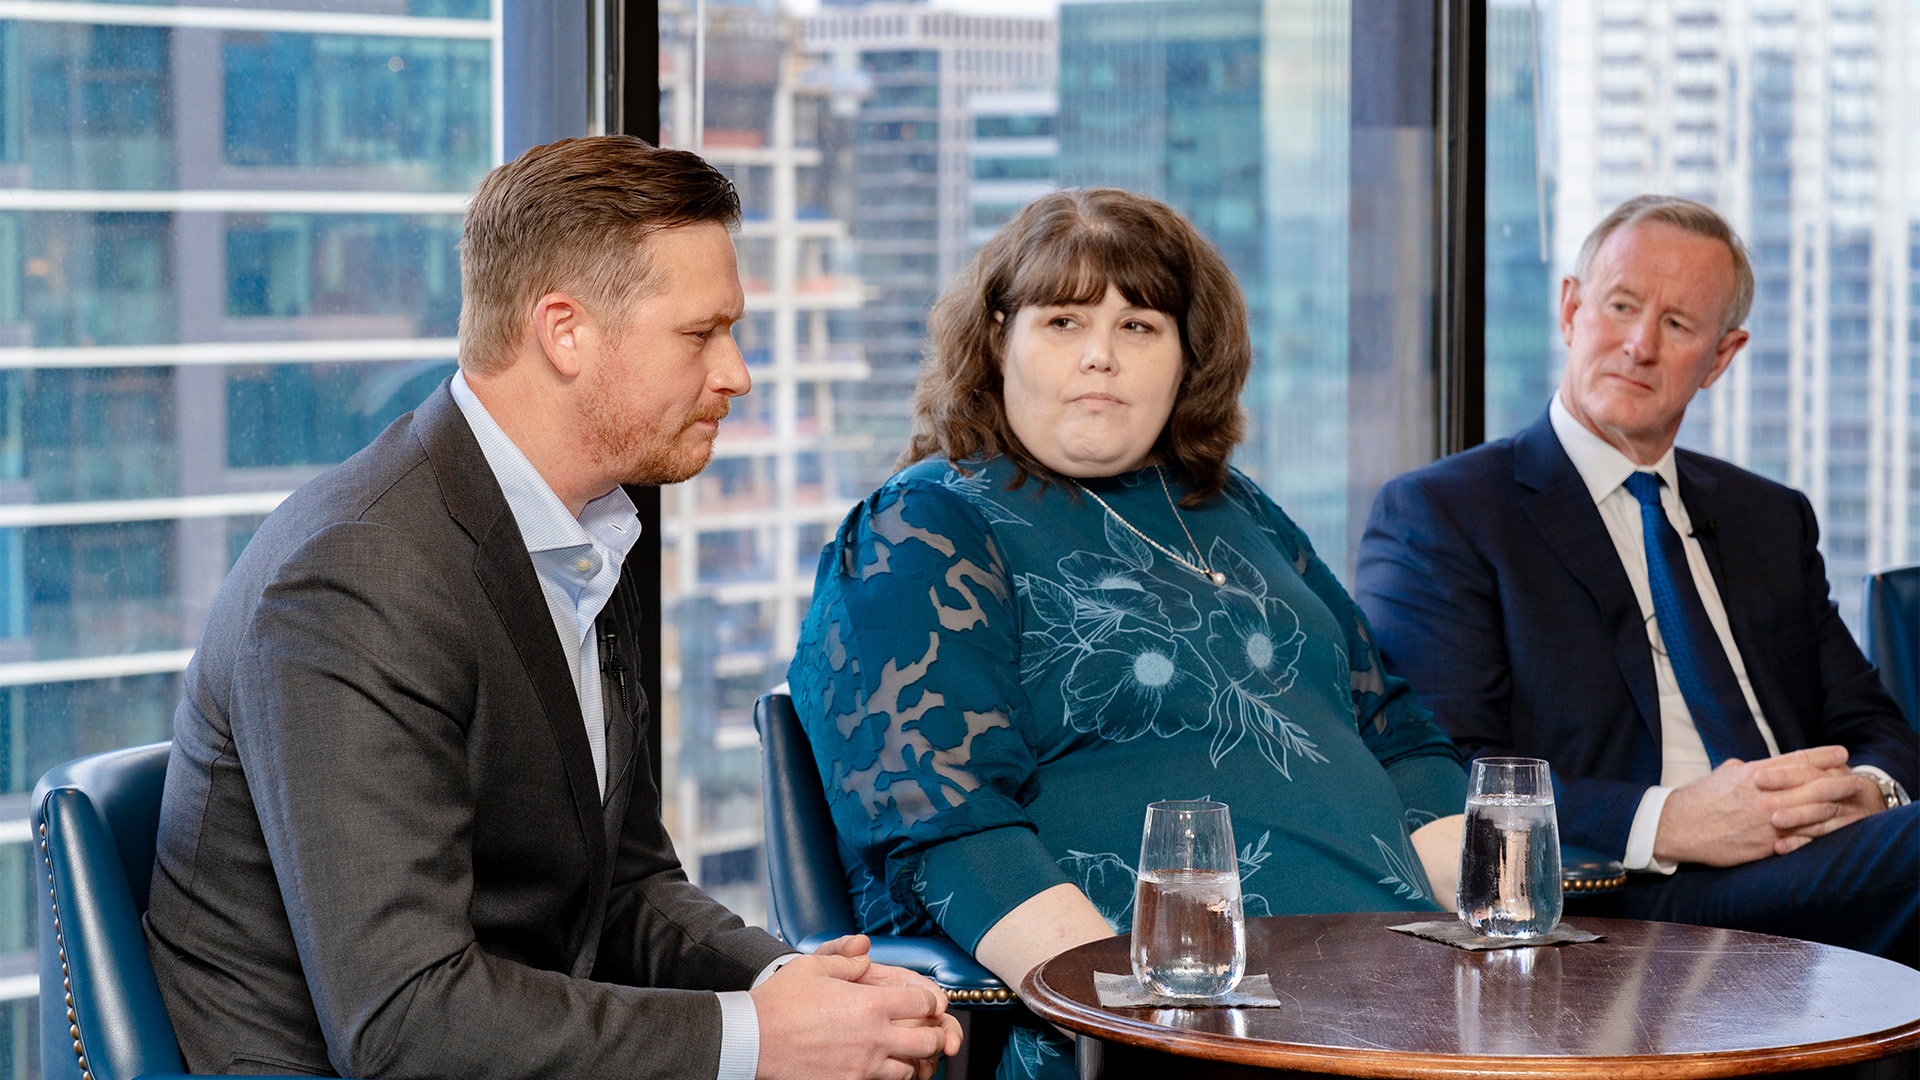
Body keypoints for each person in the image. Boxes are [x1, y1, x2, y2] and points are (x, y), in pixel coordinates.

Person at [143, 136, 960, 1080]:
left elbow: (627, 886)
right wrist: (758, 1041)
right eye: (702, 335)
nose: (737, 374)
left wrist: (786, 984)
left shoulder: (579, 531)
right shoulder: (354, 577)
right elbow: (403, 1024)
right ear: (564, 331)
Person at [787, 188, 1468, 1080]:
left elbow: (1400, 738)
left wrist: (1497, 950)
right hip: (1158, 1025)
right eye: (1063, 321)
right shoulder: (927, 526)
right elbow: (939, 820)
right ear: (999, 341)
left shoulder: (1240, 512)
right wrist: (1140, 1015)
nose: (1101, 356)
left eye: (1141, 326)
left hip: (1405, 1001)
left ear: (1189, 358)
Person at [1355, 194, 1918, 961]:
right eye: (1621, 306)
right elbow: (1444, 772)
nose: (1640, 345)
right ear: (1570, 309)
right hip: (1633, 896)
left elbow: (1875, 724)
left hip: (1817, 859)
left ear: (1721, 356)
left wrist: (1869, 791)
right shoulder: (1445, 515)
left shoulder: (1770, 518)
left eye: (1679, 325)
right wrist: (1673, 819)